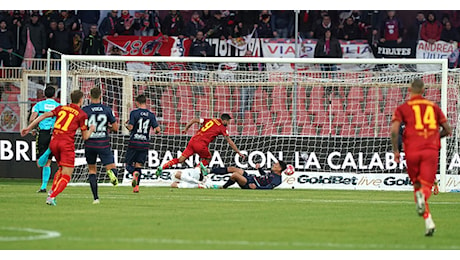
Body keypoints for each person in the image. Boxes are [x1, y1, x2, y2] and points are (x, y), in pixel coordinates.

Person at [390, 78, 452, 236]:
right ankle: (422, 198)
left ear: (410, 90)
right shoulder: (434, 107)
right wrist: (435, 138)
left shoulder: (403, 108)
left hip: (411, 150)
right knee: (425, 187)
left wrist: (396, 151)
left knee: (417, 185)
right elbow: (447, 129)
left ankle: (429, 222)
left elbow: (394, 131)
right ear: (424, 90)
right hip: (430, 150)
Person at [21, 89, 96, 206]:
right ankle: (52, 197)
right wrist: (91, 129)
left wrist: (29, 128)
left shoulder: (62, 108)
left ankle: (51, 191)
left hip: (54, 141)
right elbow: (85, 136)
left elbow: (45, 115)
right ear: (81, 100)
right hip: (66, 144)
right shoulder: (82, 114)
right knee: (67, 175)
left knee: (61, 169)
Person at [155, 113, 244, 176]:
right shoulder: (222, 128)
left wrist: (186, 128)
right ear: (224, 120)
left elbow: (194, 120)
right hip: (201, 144)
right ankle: (197, 170)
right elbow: (230, 141)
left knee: (180, 159)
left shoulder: (211, 120)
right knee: (208, 158)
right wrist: (238, 152)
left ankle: (162, 167)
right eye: (228, 121)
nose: (228, 123)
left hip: (193, 140)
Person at [82, 87, 119, 204]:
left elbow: (82, 127)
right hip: (103, 143)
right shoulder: (107, 109)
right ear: (101, 96)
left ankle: (96, 198)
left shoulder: (85, 110)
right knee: (112, 167)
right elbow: (116, 128)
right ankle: (111, 174)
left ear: (89, 96)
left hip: (90, 143)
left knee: (92, 170)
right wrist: (107, 127)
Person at [124, 94, 161, 193]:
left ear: (137, 102)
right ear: (145, 102)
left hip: (134, 141)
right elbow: (158, 129)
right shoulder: (151, 115)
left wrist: (125, 125)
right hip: (144, 143)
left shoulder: (134, 113)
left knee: (128, 165)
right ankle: (136, 188)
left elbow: (131, 127)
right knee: (139, 165)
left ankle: (133, 173)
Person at [29, 86, 60, 193]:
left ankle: (43, 187)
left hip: (42, 133)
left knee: (40, 163)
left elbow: (32, 118)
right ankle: (43, 186)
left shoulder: (39, 105)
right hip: (53, 134)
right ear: (54, 95)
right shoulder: (58, 106)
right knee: (48, 163)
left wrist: (33, 128)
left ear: (44, 94)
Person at [210, 161, 286, 189]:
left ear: (279, 169)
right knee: (234, 169)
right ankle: (210, 170)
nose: (273, 165)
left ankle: (223, 187)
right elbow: (264, 176)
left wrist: (257, 188)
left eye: (276, 165)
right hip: (251, 178)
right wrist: (259, 169)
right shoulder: (272, 174)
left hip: (250, 183)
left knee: (235, 175)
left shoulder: (277, 179)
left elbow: (269, 187)